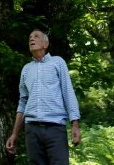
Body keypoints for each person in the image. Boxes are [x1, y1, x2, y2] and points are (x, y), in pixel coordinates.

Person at [5, 29, 81, 164]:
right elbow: (22, 103)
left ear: (45, 44)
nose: (31, 39)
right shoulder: (26, 69)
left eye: (36, 36)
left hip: (55, 128)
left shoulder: (58, 62)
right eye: (30, 37)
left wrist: (75, 124)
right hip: (31, 130)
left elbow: (68, 92)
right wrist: (15, 134)